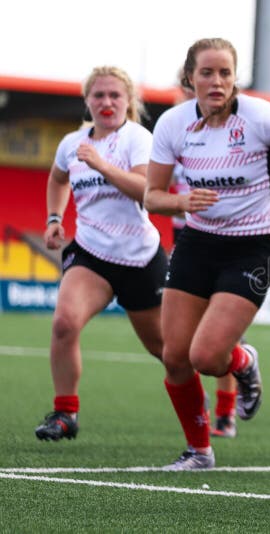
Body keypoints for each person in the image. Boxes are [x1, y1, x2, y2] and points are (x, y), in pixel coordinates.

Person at [144, 38, 270, 470]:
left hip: (252, 246)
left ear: (235, 78)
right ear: (189, 77)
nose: (216, 81)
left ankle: (244, 361)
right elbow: (152, 196)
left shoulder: (261, 117)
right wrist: (181, 202)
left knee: (208, 357)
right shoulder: (173, 124)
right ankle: (199, 451)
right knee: (174, 355)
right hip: (196, 243)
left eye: (225, 73)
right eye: (207, 73)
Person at [34, 66, 167, 441]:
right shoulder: (71, 144)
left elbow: (146, 191)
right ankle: (65, 414)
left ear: (129, 101)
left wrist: (102, 165)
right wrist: (55, 217)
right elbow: (58, 178)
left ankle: (233, 361)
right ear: (87, 101)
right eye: (99, 96)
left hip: (141, 257)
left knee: (168, 351)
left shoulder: (138, 138)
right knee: (64, 324)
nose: (106, 103)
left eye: (115, 96)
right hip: (91, 253)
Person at [168, 71, 239, 439]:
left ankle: (226, 412)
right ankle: (203, 418)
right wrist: (176, 202)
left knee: (220, 334)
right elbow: (156, 192)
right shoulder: (171, 136)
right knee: (180, 344)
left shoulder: (229, 134)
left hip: (228, 242)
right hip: (186, 242)